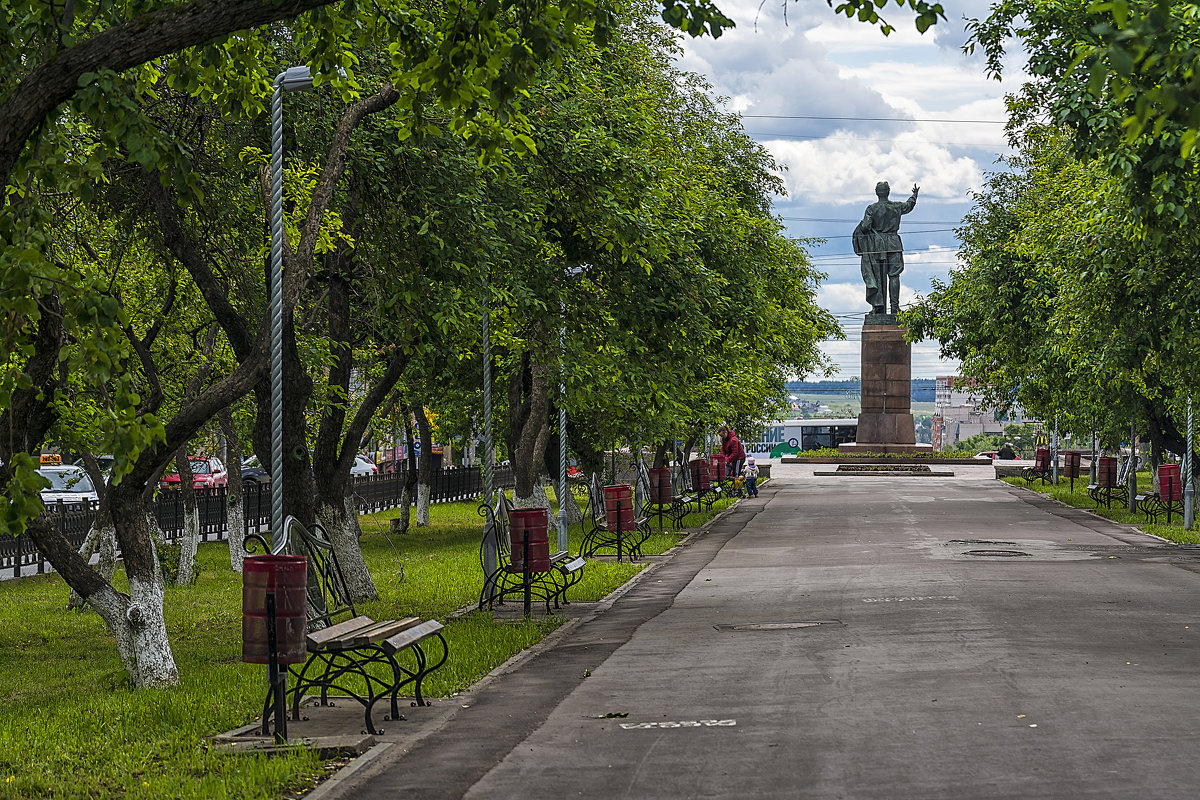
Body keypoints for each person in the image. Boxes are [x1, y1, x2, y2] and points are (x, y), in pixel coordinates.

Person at [852, 181, 919, 315]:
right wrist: (914, 195)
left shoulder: (871, 208)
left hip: (877, 246)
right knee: (894, 276)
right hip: (894, 243)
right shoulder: (896, 206)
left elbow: (865, 226)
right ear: (888, 192)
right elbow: (909, 206)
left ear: (876, 193)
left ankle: (878, 308)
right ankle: (895, 308)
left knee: (878, 276)